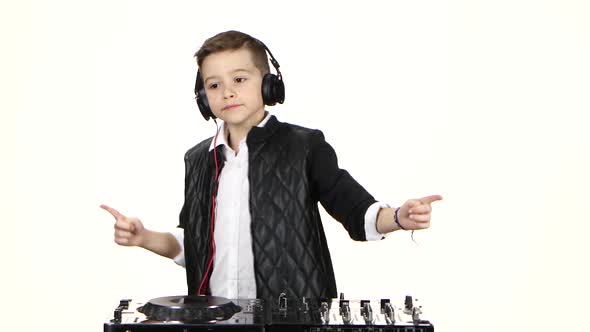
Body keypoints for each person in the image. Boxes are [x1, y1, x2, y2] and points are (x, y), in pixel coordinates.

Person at [101, 30, 442, 301]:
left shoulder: (304, 146)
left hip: (293, 315)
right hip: (214, 318)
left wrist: (399, 217)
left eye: (240, 79)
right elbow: (193, 244)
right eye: (214, 85)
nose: (227, 92)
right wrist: (144, 237)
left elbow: (356, 210)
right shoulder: (198, 160)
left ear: (268, 84)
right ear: (203, 98)